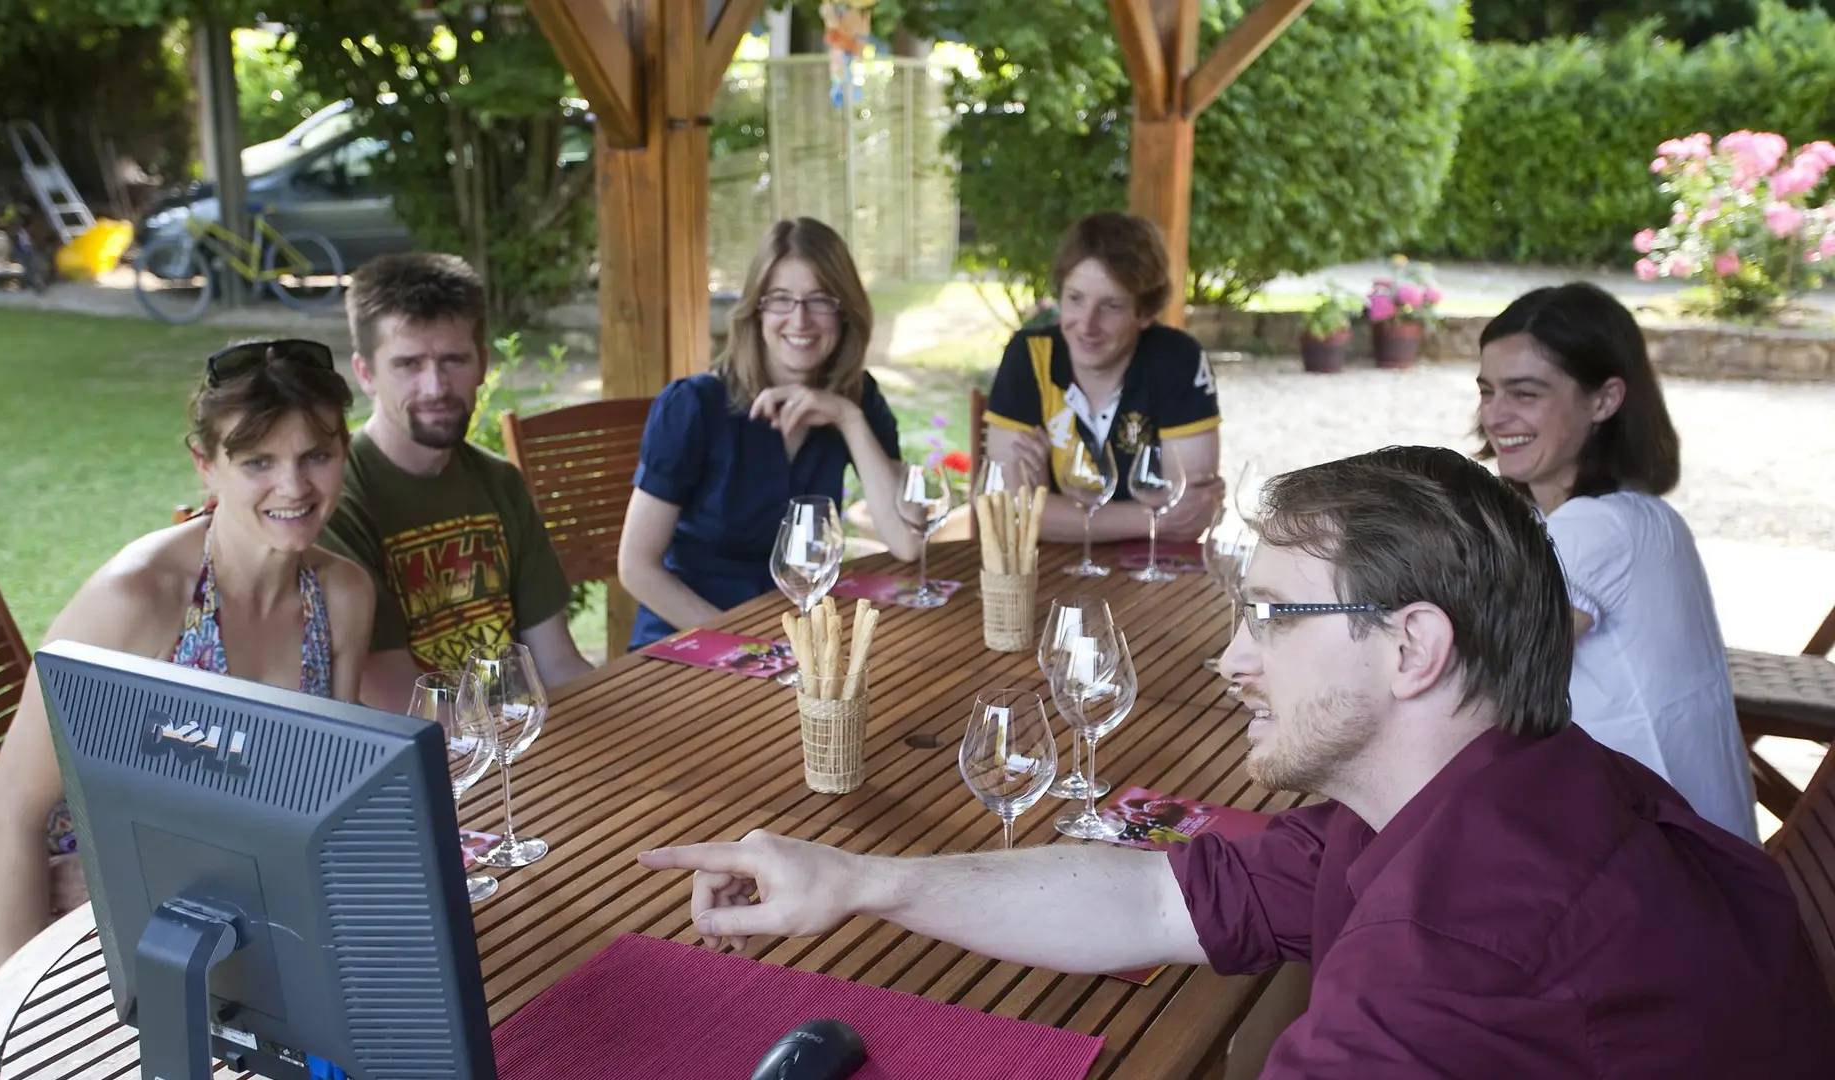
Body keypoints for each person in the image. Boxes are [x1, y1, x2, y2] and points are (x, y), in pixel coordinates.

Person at [638, 446, 1835, 1077]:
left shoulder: (1457, 955)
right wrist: (859, 881)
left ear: (1412, 646)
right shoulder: (1498, 783)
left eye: (1271, 615)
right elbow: (1162, 892)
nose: (1230, 659)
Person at [0, 339, 376, 964]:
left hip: (252, 920)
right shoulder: (137, 601)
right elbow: (12, 816)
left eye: (316, 455)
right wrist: (19, 1028)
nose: (293, 485)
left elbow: (330, 801)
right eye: (256, 462)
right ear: (205, 464)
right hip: (100, 934)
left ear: (343, 453)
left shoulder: (343, 596)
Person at [1475, 282, 1758, 843]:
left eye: (1525, 393)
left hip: (1671, 869)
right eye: (1487, 392)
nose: (1495, 415)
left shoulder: (1597, 527)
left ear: (1604, 400)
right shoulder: (1630, 510)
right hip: (1673, 841)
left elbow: (1488, 673)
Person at [618, 218, 920, 651]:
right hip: (692, 640)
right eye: (781, 299)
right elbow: (636, 568)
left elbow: (906, 542)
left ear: (844, 310)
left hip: (795, 646)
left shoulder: (857, 398)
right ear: (756, 308)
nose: (800, 320)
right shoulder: (694, 406)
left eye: (819, 300)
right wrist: (747, 643)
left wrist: (848, 419)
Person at [319, 252, 593, 712]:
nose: (435, 388)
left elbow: (557, 661)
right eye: (408, 364)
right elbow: (400, 702)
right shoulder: (340, 497)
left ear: (483, 363)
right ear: (365, 374)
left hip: (520, 742)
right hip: (432, 759)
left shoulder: (500, 483)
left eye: (453, 360)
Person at [982, 211, 1223, 542]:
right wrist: (1153, 519)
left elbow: (1192, 516)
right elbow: (1007, 511)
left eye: (1111, 305)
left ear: (1145, 313)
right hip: (1051, 574)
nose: (1087, 324)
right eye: (1075, 299)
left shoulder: (1177, 358)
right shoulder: (1030, 354)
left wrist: (1051, 508)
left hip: (1152, 580)